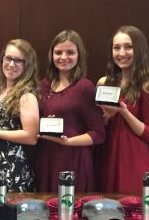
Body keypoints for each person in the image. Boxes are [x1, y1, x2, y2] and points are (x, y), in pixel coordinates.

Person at [35, 30, 105, 192]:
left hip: (73, 160)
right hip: (46, 158)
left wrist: (68, 142)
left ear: (79, 55)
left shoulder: (85, 87)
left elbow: (99, 134)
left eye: (70, 52)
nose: (63, 57)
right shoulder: (42, 85)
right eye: (58, 52)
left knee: (70, 214)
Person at [96, 25, 149, 193]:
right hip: (106, 153)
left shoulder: (148, 85)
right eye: (116, 48)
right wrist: (106, 118)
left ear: (139, 50)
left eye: (128, 47)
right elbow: (97, 126)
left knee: (132, 208)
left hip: (133, 155)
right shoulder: (104, 82)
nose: (121, 53)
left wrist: (124, 112)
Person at [0, 39, 40, 192]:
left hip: (12, 168)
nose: (11, 64)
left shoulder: (26, 95)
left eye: (18, 61)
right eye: (8, 58)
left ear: (28, 65)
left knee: (8, 213)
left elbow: (31, 137)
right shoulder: (2, 90)